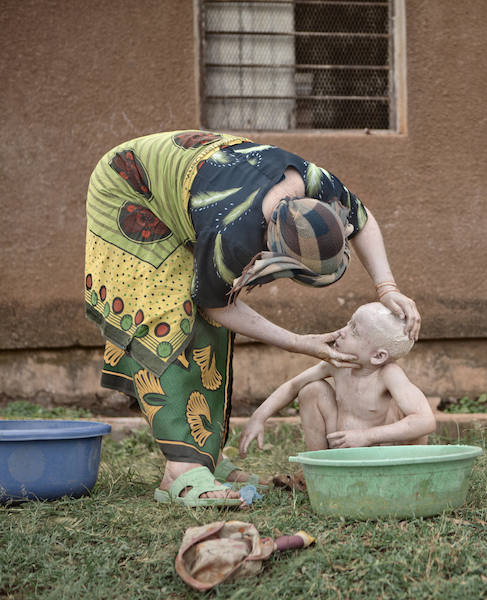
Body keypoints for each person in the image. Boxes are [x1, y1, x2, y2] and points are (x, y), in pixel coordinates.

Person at [84, 130, 420, 506]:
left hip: (191, 178)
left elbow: (364, 220)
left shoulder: (314, 184)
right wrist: (299, 342)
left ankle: (205, 455)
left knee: (212, 326)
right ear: (270, 249)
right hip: (128, 190)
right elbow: (215, 305)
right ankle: (180, 470)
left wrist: (386, 287)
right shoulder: (233, 235)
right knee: (174, 324)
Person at [238, 302, 435, 460]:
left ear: (378, 356)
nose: (342, 331)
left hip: (379, 454)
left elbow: (425, 421)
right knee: (311, 389)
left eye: (354, 331)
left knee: (411, 411)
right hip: (340, 447)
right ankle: (320, 467)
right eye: (349, 323)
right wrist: (259, 417)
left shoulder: (388, 374)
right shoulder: (338, 364)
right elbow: (293, 386)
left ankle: (409, 472)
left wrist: (366, 437)